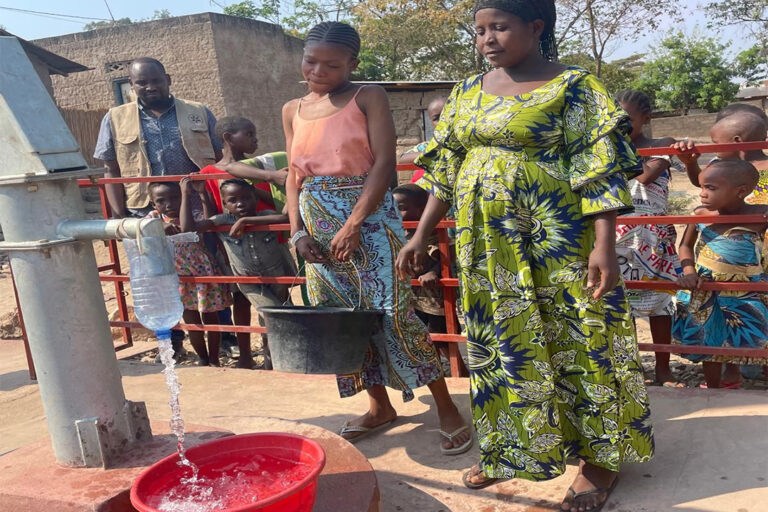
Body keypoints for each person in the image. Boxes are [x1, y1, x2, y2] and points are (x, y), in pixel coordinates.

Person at [396, 2, 654, 510]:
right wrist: (420, 234)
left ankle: (599, 461)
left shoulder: (576, 87)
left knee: (575, 336)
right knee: (502, 343)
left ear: (536, 28)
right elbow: (446, 171)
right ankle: (512, 451)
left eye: (499, 27)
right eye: (479, 30)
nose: (487, 39)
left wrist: (604, 247)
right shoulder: (467, 91)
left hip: (557, 239)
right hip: (485, 246)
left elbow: (599, 169)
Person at [284, 21, 471, 455]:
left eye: (331, 64)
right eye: (310, 60)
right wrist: (297, 234)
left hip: (369, 219)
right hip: (315, 224)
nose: (317, 71)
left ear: (353, 63)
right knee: (342, 320)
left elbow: (385, 164)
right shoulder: (292, 108)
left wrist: (353, 223)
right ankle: (379, 407)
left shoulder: (368, 95)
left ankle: (447, 408)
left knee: (393, 314)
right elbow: (294, 177)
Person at [672, 159, 768, 388]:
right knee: (709, 335)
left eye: (711, 188)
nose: (703, 194)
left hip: (747, 289)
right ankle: (713, 388)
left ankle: (741, 375)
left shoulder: (761, 214)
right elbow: (685, 246)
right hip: (706, 287)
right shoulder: (700, 214)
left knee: (755, 333)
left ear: (741, 191)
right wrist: (689, 271)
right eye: (702, 187)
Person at [181, 178, 291, 370]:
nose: (241, 203)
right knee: (273, 313)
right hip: (249, 280)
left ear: (255, 199)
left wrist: (246, 220)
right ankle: (274, 360)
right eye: (233, 200)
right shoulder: (223, 221)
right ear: (225, 204)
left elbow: (285, 217)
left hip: (276, 277)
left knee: (273, 316)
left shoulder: (266, 215)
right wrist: (190, 194)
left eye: (246, 198)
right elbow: (188, 229)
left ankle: (271, 362)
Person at [94, 57, 223, 218]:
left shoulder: (199, 112)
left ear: (168, 80)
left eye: (156, 81)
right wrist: (119, 216)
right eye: (142, 82)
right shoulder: (114, 118)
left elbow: (220, 160)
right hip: (144, 213)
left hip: (199, 209)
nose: (151, 87)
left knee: (205, 244)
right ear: (131, 84)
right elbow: (111, 170)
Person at [614, 90, 682, 387]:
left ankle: (663, 369)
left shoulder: (661, 145)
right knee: (621, 303)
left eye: (626, 119)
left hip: (653, 237)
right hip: (616, 237)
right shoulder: (608, 148)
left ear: (646, 118)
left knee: (660, 303)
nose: (619, 124)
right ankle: (632, 369)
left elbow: (644, 177)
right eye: (614, 118)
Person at [147, 180, 232, 366]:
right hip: (179, 278)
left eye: (175, 198)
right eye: (161, 201)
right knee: (192, 322)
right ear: (154, 204)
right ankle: (202, 358)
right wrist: (159, 228)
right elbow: (141, 229)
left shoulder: (192, 215)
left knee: (211, 318)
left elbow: (195, 226)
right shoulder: (154, 218)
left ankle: (214, 358)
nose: (169, 204)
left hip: (202, 272)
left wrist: (199, 195)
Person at [392, 184, 468, 376]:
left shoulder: (436, 233)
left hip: (437, 301)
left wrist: (434, 272)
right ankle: (436, 372)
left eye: (402, 207)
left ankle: (459, 371)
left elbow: (447, 257)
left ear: (422, 209)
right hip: (414, 299)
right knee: (423, 338)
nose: (397, 213)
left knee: (443, 339)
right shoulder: (402, 233)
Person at [672, 111, 768, 190]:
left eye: (716, 143)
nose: (714, 148)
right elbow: (701, 183)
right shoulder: (717, 163)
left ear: (737, 141)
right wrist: (691, 163)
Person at [400, 97, 448, 180]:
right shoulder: (428, 146)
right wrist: (434, 154)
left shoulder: (467, 144)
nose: (443, 121)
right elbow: (402, 158)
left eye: (447, 115)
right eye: (437, 118)